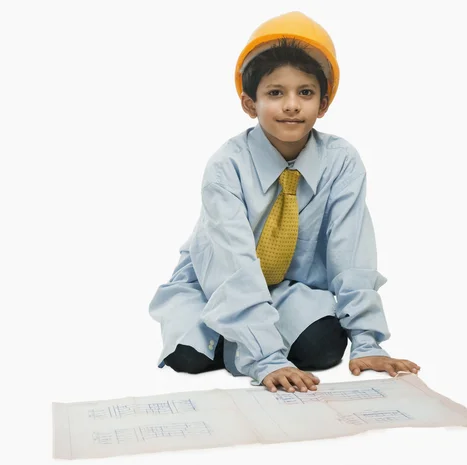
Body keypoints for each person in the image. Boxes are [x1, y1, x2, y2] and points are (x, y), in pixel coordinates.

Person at [148, 11, 420, 393]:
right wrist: (265, 359)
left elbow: (352, 251)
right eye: (275, 93)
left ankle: (247, 336)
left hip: (290, 288)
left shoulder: (341, 161)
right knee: (189, 358)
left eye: (305, 92)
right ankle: (239, 336)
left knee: (324, 349)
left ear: (323, 104)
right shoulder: (227, 166)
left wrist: (366, 340)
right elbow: (232, 264)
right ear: (249, 103)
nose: (291, 105)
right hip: (216, 284)